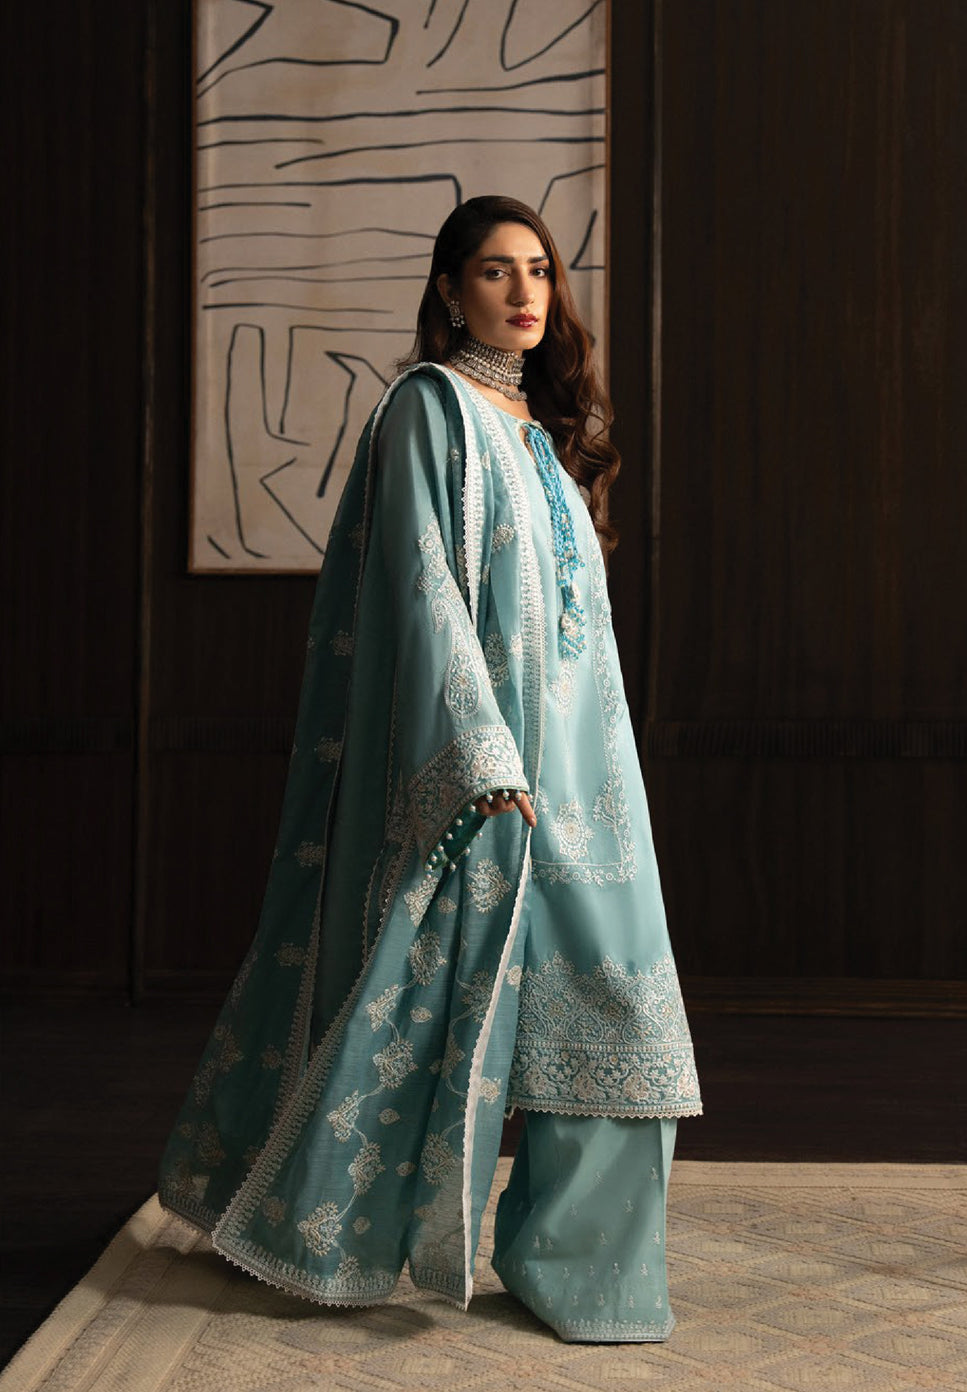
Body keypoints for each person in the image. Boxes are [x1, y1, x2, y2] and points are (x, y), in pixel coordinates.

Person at [159, 195, 701, 1343]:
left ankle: (580, 1274)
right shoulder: (428, 408)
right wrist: (479, 757)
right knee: (417, 992)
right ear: (450, 290)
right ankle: (321, 1226)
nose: (524, 291)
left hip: (590, 785)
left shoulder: (544, 438)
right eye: (496, 271)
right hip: (491, 781)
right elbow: (420, 584)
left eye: (539, 270)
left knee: (619, 1012)